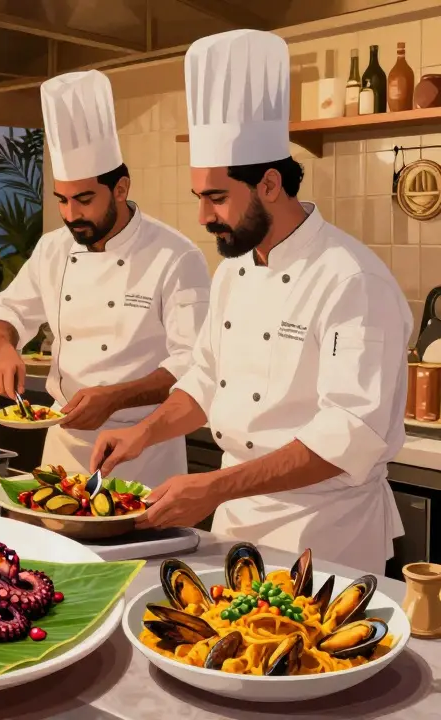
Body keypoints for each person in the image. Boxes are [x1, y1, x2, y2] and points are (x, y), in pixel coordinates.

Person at [91, 29, 411, 574]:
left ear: (268, 184)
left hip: (326, 536)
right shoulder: (236, 269)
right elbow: (206, 380)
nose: (202, 217)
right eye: (200, 198)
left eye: (216, 198)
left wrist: (216, 485)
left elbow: (347, 435)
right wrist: (143, 433)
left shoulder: (352, 278)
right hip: (235, 522)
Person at [0, 70, 211, 486]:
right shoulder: (53, 249)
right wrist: (3, 349)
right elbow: (5, 311)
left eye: (84, 200)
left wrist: (116, 396)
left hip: (144, 452)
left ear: (120, 188)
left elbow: (193, 363)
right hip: (62, 448)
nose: (71, 215)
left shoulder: (176, 256)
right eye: (62, 200)